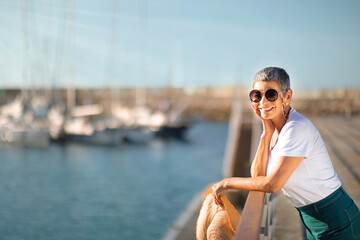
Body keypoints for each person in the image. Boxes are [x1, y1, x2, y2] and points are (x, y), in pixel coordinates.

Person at [211, 67, 360, 239]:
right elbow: (258, 175)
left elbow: (273, 185)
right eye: (257, 95)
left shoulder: (296, 129)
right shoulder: (276, 130)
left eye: (271, 94)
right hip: (312, 218)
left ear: (287, 97)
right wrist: (266, 133)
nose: (263, 102)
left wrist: (228, 183)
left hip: (337, 219)